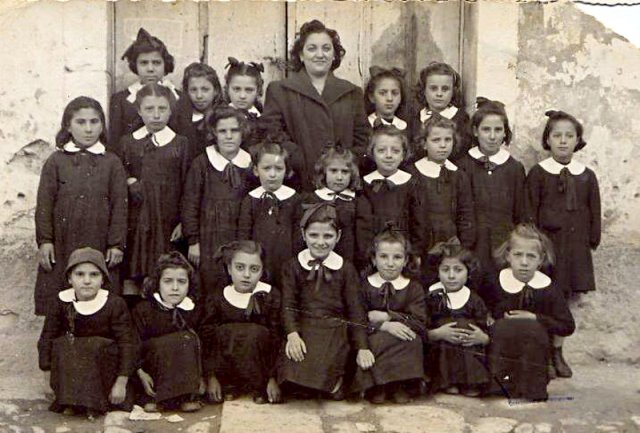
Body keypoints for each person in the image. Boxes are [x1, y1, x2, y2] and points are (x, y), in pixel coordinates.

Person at [34, 97, 127, 316]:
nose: (88, 129)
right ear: (68, 125)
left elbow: (120, 206)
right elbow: (44, 204)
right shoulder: (56, 161)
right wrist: (45, 240)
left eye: (94, 122)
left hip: (99, 239)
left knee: (99, 298)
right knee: (62, 295)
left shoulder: (111, 162)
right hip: (64, 241)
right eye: (81, 122)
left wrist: (116, 244)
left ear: (102, 125)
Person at [525, 109, 600, 378]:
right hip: (549, 248)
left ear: (578, 140)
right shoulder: (538, 173)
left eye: (570, 136)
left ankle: (558, 351)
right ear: (548, 140)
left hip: (575, 247)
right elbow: (529, 211)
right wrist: (535, 246)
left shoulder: (586, 175)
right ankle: (541, 353)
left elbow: (594, 209)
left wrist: (591, 240)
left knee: (562, 303)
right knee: (544, 296)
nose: (563, 141)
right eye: (557, 135)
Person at [277, 203, 372, 400]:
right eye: (314, 235)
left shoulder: (346, 269)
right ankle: (307, 384)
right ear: (303, 234)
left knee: (328, 352)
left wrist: (362, 346)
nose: (320, 242)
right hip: (303, 325)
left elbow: (356, 310)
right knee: (294, 365)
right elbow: (288, 304)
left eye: (328, 236)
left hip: (333, 327)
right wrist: (292, 334)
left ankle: (331, 382)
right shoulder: (292, 266)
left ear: (337, 237)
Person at [261, 19, 369, 191]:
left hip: (340, 184)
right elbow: (272, 133)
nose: (320, 54)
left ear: (334, 55)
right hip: (297, 183)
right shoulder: (280, 90)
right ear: (301, 55)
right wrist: (298, 159)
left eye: (326, 48)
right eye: (312, 49)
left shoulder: (351, 92)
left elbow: (362, 138)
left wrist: (345, 164)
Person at [38, 248, 137, 416]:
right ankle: (71, 400)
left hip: (104, 371)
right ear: (69, 278)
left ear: (103, 279)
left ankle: (93, 402)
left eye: (94, 275)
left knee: (95, 345)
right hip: (73, 369)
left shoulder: (114, 304)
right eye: (79, 274)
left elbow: (127, 343)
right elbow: (47, 338)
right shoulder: (61, 302)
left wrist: (121, 383)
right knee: (63, 343)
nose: (87, 281)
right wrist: (47, 380)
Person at [487, 224, 575, 402]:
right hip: (502, 346)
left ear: (541, 259)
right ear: (508, 256)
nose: (524, 262)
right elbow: (482, 306)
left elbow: (567, 325)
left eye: (531, 256)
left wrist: (536, 318)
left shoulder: (548, 288)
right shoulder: (495, 282)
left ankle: (534, 384)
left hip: (534, 348)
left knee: (532, 333)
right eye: (518, 255)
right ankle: (500, 385)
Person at [119, 83, 190, 294]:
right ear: (140, 111)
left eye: (162, 109)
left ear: (170, 110)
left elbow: (188, 185)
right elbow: (118, 173)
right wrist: (129, 181)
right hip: (137, 218)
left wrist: (183, 222)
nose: (156, 115)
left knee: (162, 271)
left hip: (166, 219)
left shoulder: (181, 143)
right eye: (149, 109)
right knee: (133, 271)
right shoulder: (128, 143)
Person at [457, 97, 525, 300]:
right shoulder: (463, 165)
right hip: (472, 240)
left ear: (505, 133)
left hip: (501, 240)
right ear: (476, 131)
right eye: (486, 130)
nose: (492, 136)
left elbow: (520, 210)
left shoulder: (514, 168)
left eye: (498, 130)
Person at [182, 107, 253, 300]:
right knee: (211, 280)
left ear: (243, 132)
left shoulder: (250, 163)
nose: (228, 136)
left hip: (239, 232)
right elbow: (190, 203)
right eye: (222, 131)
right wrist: (193, 241)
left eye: (234, 131)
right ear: (214, 133)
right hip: (209, 236)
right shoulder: (202, 163)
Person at [201, 241, 282, 405]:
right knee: (222, 332)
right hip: (226, 369)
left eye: (254, 269)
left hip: (261, 371)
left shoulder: (270, 296)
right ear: (229, 269)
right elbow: (208, 341)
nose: (246, 275)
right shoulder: (218, 297)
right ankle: (229, 385)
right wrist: (211, 377)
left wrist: (273, 378)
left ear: (262, 271)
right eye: (240, 267)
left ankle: (259, 386)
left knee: (257, 333)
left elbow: (277, 339)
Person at [353, 229, 426, 404]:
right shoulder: (363, 286)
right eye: (384, 257)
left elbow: (420, 322)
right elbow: (357, 318)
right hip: (374, 335)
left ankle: (399, 385)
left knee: (412, 340)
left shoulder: (413, 287)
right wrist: (382, 327)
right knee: (376, 341)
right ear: (374, 259)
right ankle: (378, 385)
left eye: (397, 257)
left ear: (406, 260)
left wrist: (388, 318)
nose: (390, 263)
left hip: (402, 336)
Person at [132, 252, 204, 413]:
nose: (175, 287)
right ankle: (156, 398)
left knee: (187, 339)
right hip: (152, 376)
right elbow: (133, 344)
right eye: (168, 281)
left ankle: (187, 396)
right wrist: (140, 373)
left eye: (181, 282)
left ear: (189, 285)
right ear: (157, 283)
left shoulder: (194, 310)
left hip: (186, 375)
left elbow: (202, 347)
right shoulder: (143, 310)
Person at [409, 114, 475, 286]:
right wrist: (413, 251)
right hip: (421, 245)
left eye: (448, 140)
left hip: (451, 245)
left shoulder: (459, 176)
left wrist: (463, 246)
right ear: (424, 143)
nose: (443, 145)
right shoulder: (413, 174)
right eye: (436, 140)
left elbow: (465, 214)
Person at [425, 241, 489, 397]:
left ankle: (470, 382)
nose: (451, 276)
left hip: (468, 346)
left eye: (458, 270)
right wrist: (437, 333)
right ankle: (446, 381)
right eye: (445, 270)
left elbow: (483, 325)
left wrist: (482, 337)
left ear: (468, 272)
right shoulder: (431, 297)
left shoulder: (474, 299)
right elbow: (423, 323)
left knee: (467, 329)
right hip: (439, 345)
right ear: (438, 271)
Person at [238, 140, 302, 287]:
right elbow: (244, 235)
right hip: (258, 263)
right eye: (266, 169)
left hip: (286, 260)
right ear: (256, 170)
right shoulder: (251, 199)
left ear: (286, 171)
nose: (272, 174)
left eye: (278, 169)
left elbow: (298, 237)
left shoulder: (294, 199)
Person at [109, 28, 181, 153]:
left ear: (165, 64)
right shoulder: (120, 100)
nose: (150, 69)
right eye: (144, 63)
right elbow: (115, 144)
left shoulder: (180, 98)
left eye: (156, 63)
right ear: (135, 65)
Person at [302, 146, 368, 266]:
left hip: (347, 263)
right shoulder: (311, 199)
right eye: (333, 171)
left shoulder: (358, 202)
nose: (339, 177)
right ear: (323, 172)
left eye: (345, 172)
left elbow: (363, 241)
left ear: (352, 174)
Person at [360, 125, 414, 243]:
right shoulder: (365, 184)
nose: (388, 155)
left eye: (395, 151)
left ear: (403, 155)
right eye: (381, 150)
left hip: (403, 249)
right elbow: (362, 225)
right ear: (372, 153)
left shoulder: (412, 184)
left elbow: (419, 222)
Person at [412, 62, 471, 161]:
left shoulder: (461, 119)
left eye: (445, 89)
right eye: (433, 88)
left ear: (453, 91)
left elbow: (462, 151)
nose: (439, 94)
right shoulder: (417, 118)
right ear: (423, 90)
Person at [175, 62, 224, 159]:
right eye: (193, 90)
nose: (199, 96)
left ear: (216, 91)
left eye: (205, 89)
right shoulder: (182, 118)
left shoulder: (222, 115)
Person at [364, 66, 408, 131]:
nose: (389, 98)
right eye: (382, 93)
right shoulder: (365, 126)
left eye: (395, 93)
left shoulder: (405, 127)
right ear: (372, 97)